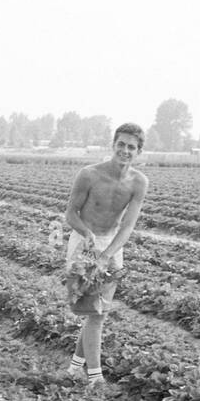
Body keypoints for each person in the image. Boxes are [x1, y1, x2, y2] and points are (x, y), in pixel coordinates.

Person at [64, 123, 148, 387]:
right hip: (84, 242)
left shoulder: (138, 182)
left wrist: (107, 255)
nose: (125, 150)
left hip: (112, 245)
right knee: (93, 312)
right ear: (113, 145)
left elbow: (127, 227)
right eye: (121, 144)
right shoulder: (89, 174)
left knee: (98, 313)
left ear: (138, 152)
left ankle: (79, 370)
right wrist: (88, 237)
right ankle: (95, 377)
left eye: (131, 147)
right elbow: (70, 214)